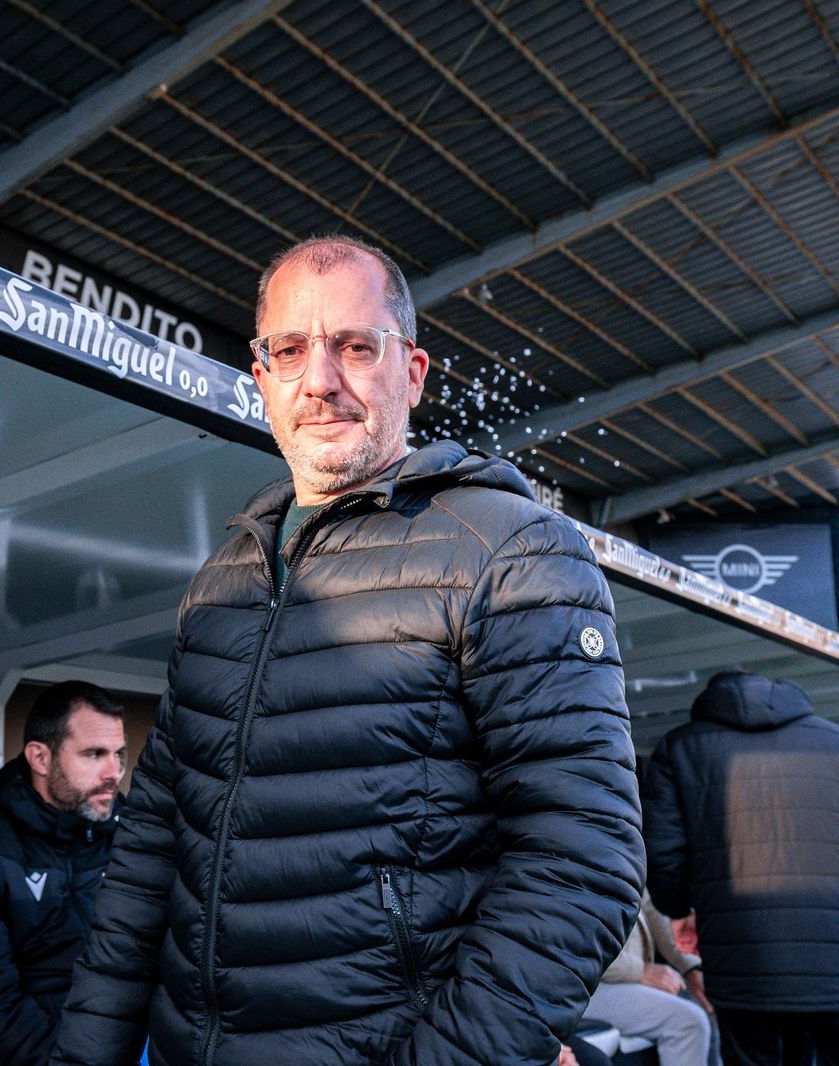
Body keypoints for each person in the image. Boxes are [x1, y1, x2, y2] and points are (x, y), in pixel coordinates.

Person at [51, 235, 644, 1065]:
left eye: (356, 347)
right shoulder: (224, 577)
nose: (320, 381)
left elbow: (583, 855)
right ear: (261, 378)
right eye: (289, 351)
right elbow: (152, 846)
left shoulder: (513, 551)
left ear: (412, 372)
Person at [643, 671, 839, 1066]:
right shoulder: (837, 740)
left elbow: (662, 849)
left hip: (741, 952)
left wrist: (678, 910)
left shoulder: (679, 747)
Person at [0, 681, 128, 1064]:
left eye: (119, 755)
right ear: (40, 758)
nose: (114, 772)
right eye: (94, 754)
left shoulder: (134, 841)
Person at [581, 892, 712, 1066]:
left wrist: (690, 967)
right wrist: (639, 971)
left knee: (705, 1004)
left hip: (621, 976)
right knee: (688, 1022)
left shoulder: (629, 865)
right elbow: (571, 942)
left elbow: (653, 909)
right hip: (579, 986)